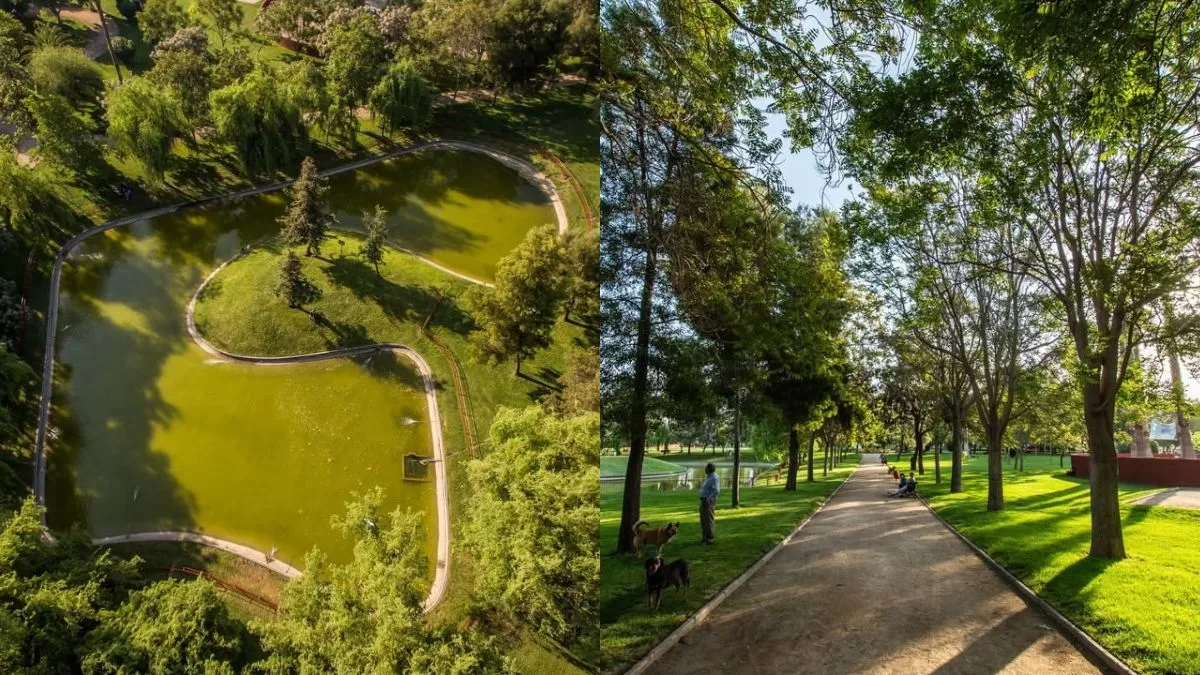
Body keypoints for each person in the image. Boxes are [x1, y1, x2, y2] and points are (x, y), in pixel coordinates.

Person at [699, 462, 719, 544]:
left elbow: (716, 490)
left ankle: (710, 538)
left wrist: (709, 498)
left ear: (709, 469)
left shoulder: (713, 478)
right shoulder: (709, 477)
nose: (705, 469)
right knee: (703, 520)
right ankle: (705, 537)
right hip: (703, 500)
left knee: (708, 519)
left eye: (706, 468)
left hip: (708, 501)